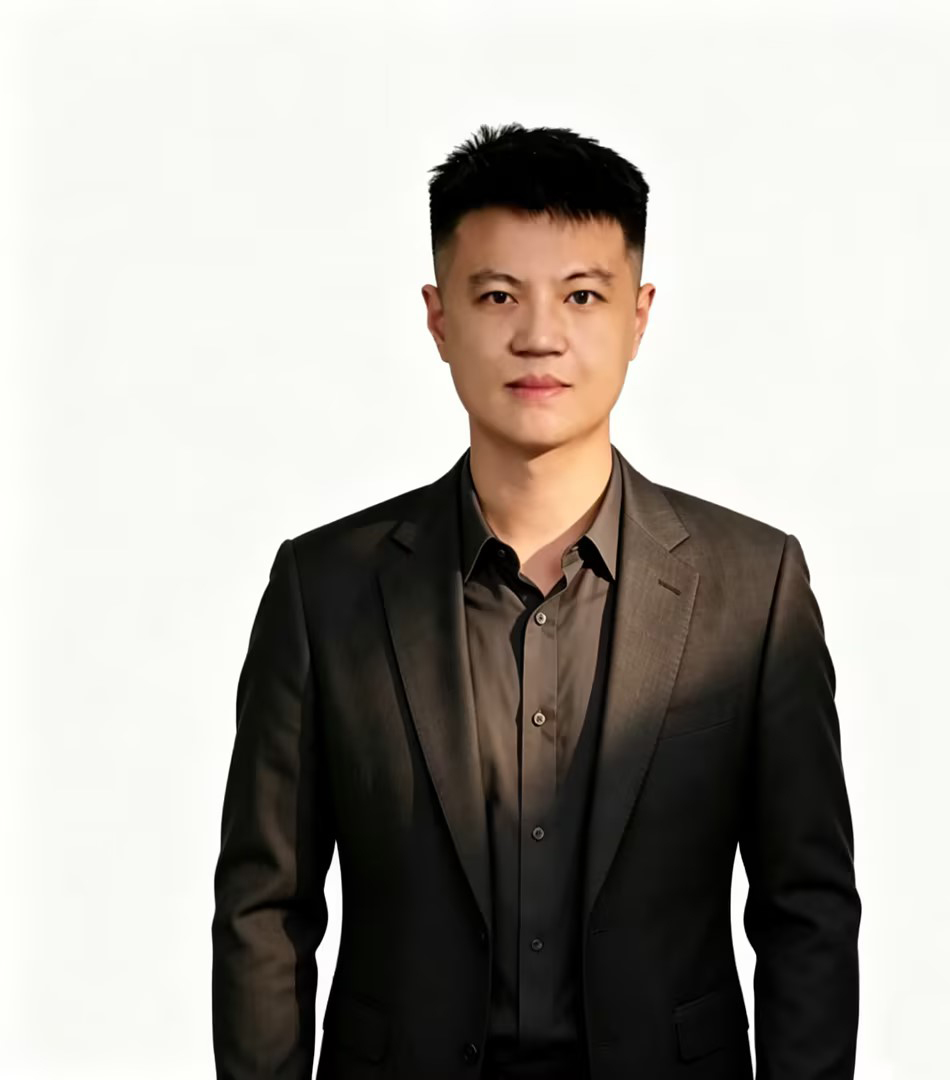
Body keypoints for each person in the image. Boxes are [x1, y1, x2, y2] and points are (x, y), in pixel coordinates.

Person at [211, 122, 861, 1080]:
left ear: (639, 316)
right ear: (439, 319)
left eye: (583, 295)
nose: (540, 335)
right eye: (499, 296)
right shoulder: (325, 590)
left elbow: (807, 912)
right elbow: (265, 910)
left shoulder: (753, 589)